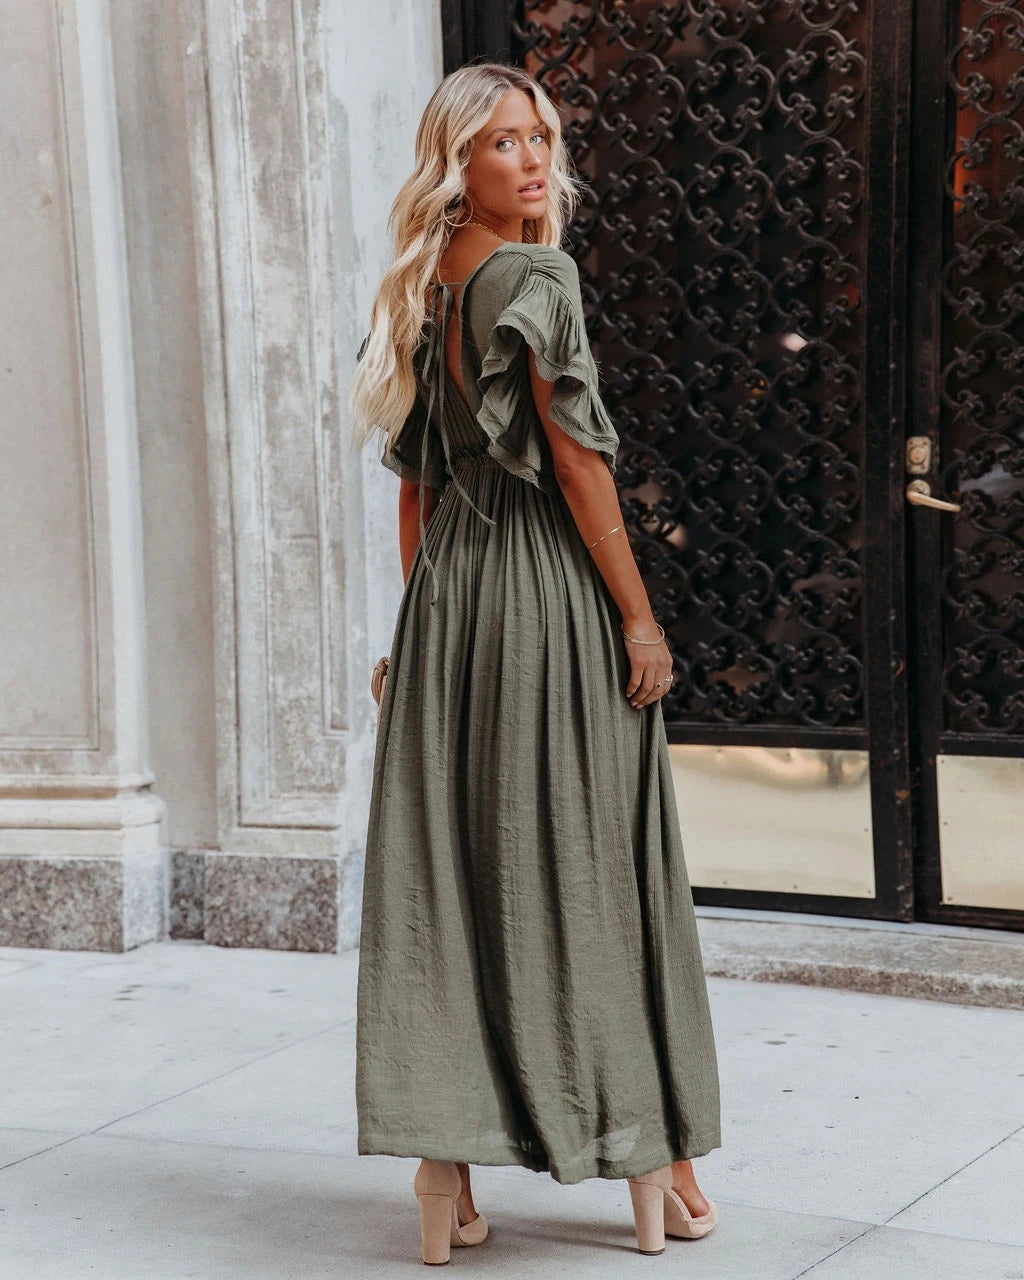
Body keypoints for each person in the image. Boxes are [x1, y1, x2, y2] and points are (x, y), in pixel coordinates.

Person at [347, 62, 721, 1266]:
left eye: (540, 138)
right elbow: (578, 467)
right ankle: (652, 1151)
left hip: (454, 605)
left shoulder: (420, 290)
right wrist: (641, 616)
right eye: (505, 143)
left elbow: (420, 490)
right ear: (457, 167)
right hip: (547, 597)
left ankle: (442, 1167)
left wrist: (413, 633)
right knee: (596, 867)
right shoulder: (534, 274)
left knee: (456, 879)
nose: (534, 161)